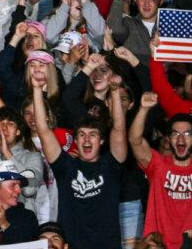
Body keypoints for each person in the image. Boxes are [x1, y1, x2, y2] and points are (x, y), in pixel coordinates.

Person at [32, 76, 127, 249]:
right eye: (82, 135)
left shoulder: (111, 165)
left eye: (93, 135)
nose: (87, 139)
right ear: (75, 140)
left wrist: (114, 92)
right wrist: (37, 90)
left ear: (102, 141)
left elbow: (119, 128)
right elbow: (43, 131)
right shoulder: (65, 167)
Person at [130, 91, 192, 248]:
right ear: (169, 139)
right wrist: (143, 109)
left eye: (186, 134)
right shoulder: (158, 165)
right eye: (175, 134)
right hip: (158, 245)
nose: (180, 139)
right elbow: (135, 140)